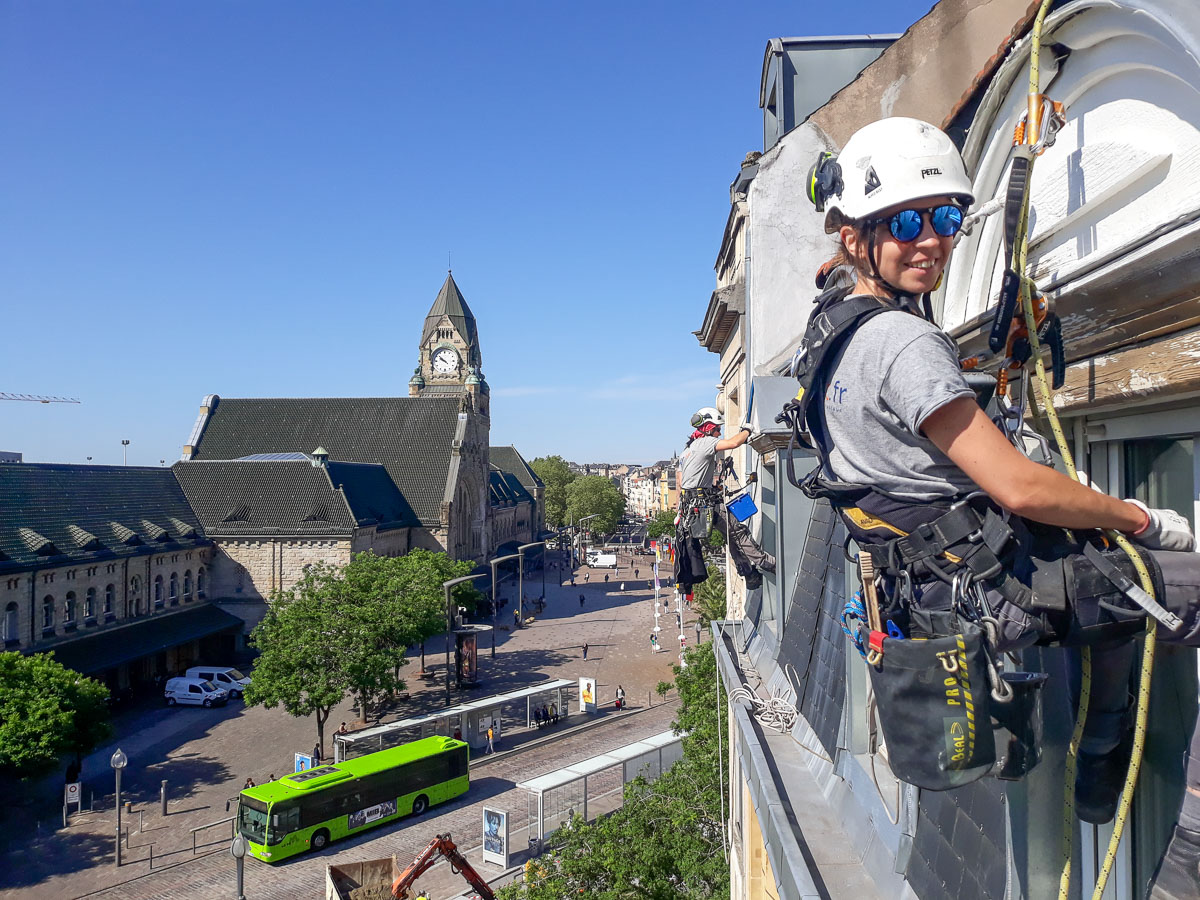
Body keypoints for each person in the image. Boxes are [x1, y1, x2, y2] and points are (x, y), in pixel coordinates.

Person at [794, 117, 1200, 847]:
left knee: (1111, 589)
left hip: (929, 585)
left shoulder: (831, 329)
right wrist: (1136, 517)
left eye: (945, 219)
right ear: (855, 237)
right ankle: (1136, 799)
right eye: (906, 223)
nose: (931, 240)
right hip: (991, 586)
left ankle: (1098, 769)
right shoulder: (903, 342)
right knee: (1170, 580)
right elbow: (1019, 489)